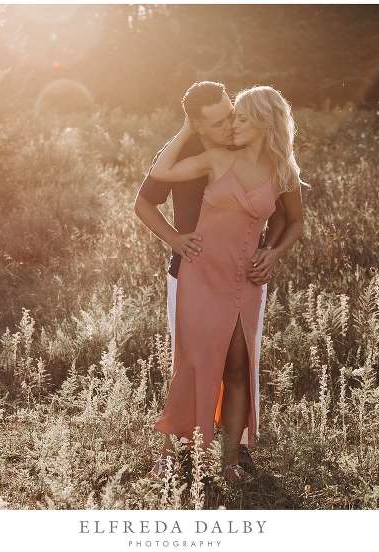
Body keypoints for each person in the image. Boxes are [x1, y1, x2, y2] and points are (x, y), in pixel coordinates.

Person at [138, 83, 306, 483]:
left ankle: (232, 460)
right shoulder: (204, 154)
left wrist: (273, 252)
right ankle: (174, 453)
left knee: (239, 366)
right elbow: (149, 189)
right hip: (196, 272)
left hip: (245, 278)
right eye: (223, 120)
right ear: (197, 123)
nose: (232, 124)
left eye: (237, 115)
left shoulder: (280, 167)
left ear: (262, 123)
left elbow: (291, 217)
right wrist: (176, 238)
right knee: (192, 364)